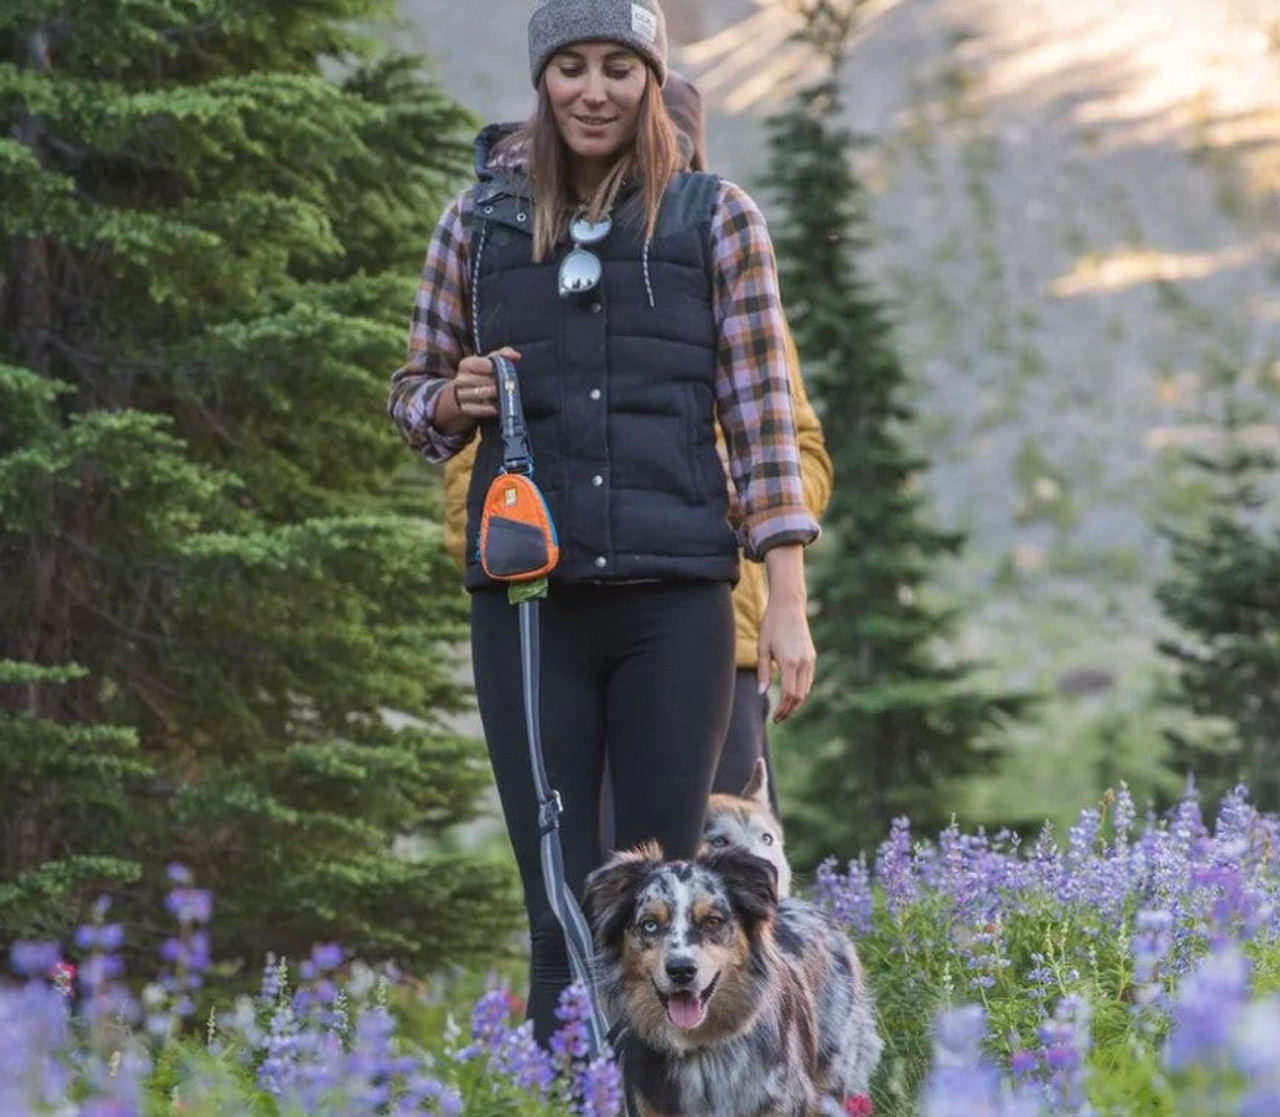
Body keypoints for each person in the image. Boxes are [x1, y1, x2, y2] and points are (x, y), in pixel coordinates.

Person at [387, 0, 818, 1046]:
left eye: (617, 68)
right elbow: (409, 396)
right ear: (540, 80)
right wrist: (452, 400)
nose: (593, 90)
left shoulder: (717, 219)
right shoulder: (476, 224)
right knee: (557, 908)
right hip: (530, 613)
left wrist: (787, 606)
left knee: (656, 915)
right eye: (570, 67)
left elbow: (764, 422)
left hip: (677, 606)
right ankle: (563, 1089)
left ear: (648, 80)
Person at [440, 72, 832, 816]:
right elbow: (464, 478)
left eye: (678, 164)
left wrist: (723, 495)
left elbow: (797, 450)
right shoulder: (512, 269)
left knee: (709, 891)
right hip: (553, 607)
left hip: (720, 631)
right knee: (595, 879)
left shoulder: (725, 261)